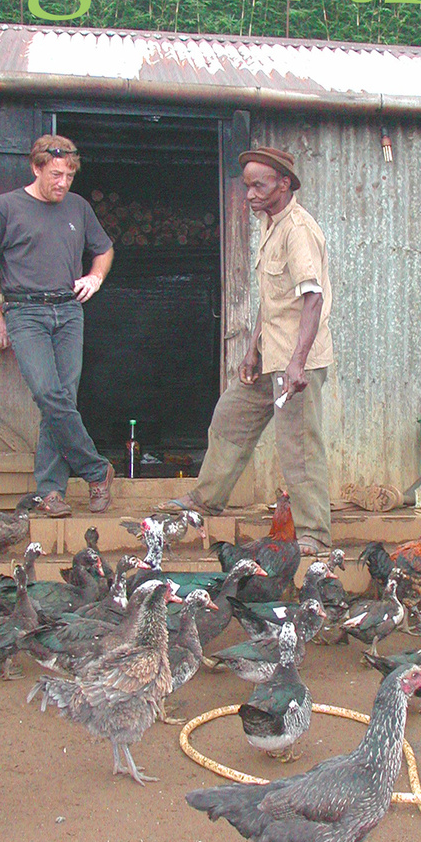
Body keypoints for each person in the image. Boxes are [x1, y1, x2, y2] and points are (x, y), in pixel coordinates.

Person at [159, 147, 333, 555]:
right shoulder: (270, 226)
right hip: (271, 355)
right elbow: (273, 300)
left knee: (299, 447)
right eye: (247, 185)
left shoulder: (298, 230)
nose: (250, 194)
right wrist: (252, 349)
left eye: (260, 185)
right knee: (230, 417)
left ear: (284, 184)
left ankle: (314, 535)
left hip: (295, 363)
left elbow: (313, 298)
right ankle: (206, 499)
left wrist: (297, 363)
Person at [0, 135, 115, 517]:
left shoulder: (79, 208)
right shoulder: (7, 207)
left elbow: (104, 248)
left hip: (68, 311)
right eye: (55, 175)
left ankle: (51, 492)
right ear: (36, 168)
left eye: (68, 176)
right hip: (25, 312)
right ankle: (97, 470)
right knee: (49, 394)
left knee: (63, 399)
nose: (62, 183)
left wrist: (95, 278)